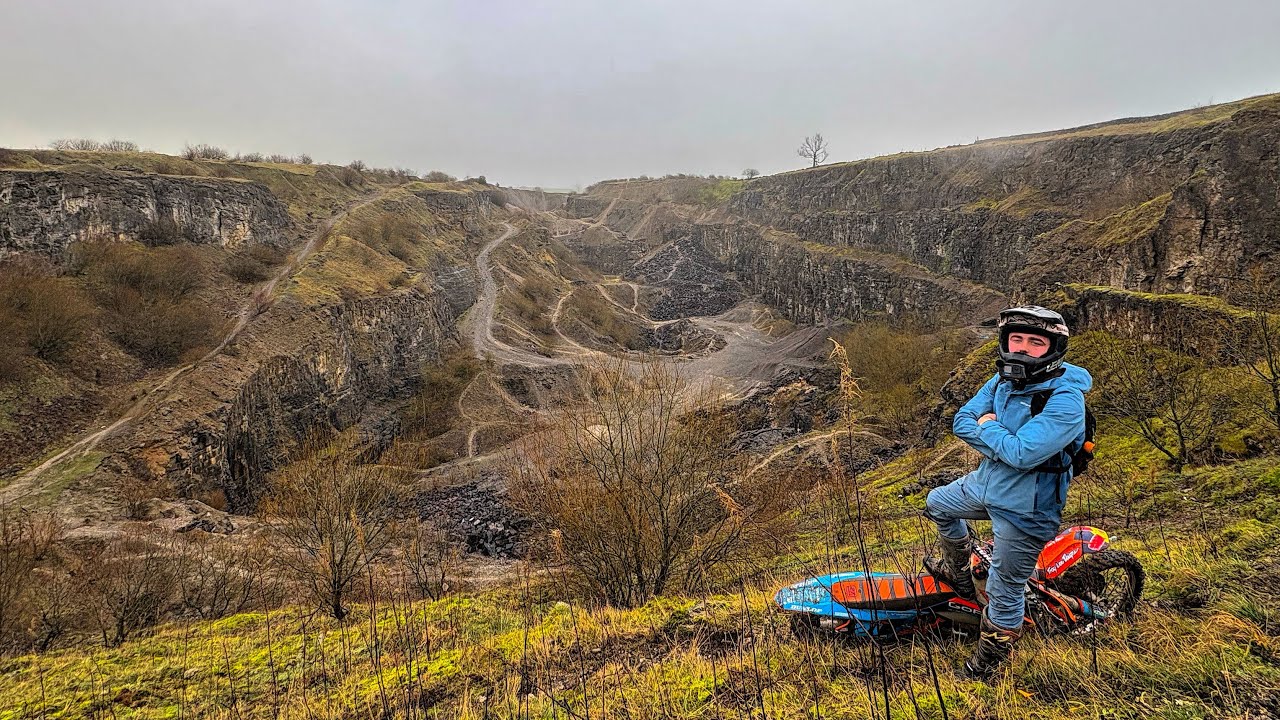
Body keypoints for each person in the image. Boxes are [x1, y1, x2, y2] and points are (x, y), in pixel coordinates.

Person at [924, 305, 1092, 679]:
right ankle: (960, 576)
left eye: (1035, 342)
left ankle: (990, 661)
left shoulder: (1066, 400)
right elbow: (961, 421)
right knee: (937, 503)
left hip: (1027, 507)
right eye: (1016, 339)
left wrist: (988, 427)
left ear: (1053, 349)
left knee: (1005, 589)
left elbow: (1023, 454)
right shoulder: (1002, 380)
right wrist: (1000, 438)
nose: (1022, 348)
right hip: (986, 484)